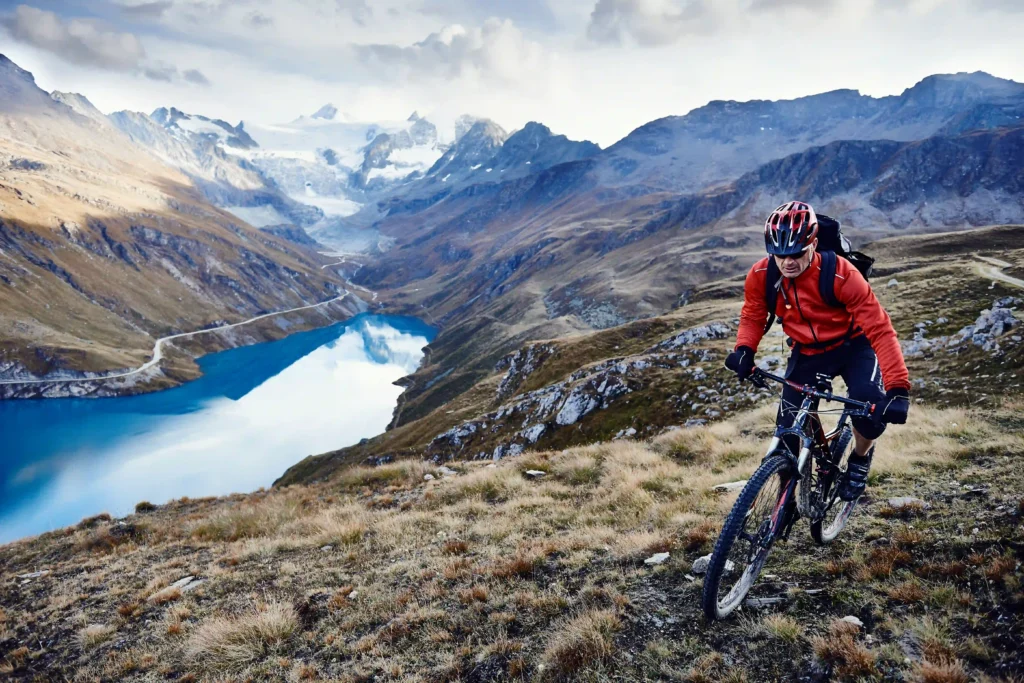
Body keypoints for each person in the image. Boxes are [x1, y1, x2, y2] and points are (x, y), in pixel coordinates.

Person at [725, 201, 910, 501]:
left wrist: (898, 389)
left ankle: (859, 460)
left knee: (867, 412)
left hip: (854, 346)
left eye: (796, 254)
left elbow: (879, 329)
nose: (787, 263)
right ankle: (782, 505)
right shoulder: (762, 274)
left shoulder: (840, 274)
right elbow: (753, 314)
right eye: (780, 255)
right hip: (807, 351)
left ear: (812, 243)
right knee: (787, 432)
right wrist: (745, 350)